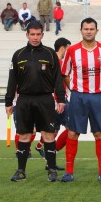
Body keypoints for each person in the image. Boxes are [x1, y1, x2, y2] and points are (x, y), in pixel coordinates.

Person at [5, 21, 66, 182]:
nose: (35, 37)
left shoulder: (50, 54)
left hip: (45, 99)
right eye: (32, 34)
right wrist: (8, 102)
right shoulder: (18, 55)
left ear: (42, 35)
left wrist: (60, 99)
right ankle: (20, 171)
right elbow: (12, 81)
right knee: (24, 135)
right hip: (24, 100)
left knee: (48, 135)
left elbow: (58, 79)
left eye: (38, 34)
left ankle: (52, 170)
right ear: (27, 35)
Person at [61, 18, 101, 183]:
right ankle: (69, 172)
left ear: (96, 31)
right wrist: (74, 89)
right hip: (78, 96)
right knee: (73, 132)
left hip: (97, 96)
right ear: (81, 30)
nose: (89, 31)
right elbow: (65, 73)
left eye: (92, 29)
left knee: (99, 133)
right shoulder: (72, 51)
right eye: (86, 29)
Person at [35, 37, 72, 171]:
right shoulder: (60, 62)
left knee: (53, 131)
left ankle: (50, 162)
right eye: (68, 48)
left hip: (53, 101)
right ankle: (52, 153)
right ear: (63, 48)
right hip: (59, 101)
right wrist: (59, 100)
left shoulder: (50, 61)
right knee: (72, 129)